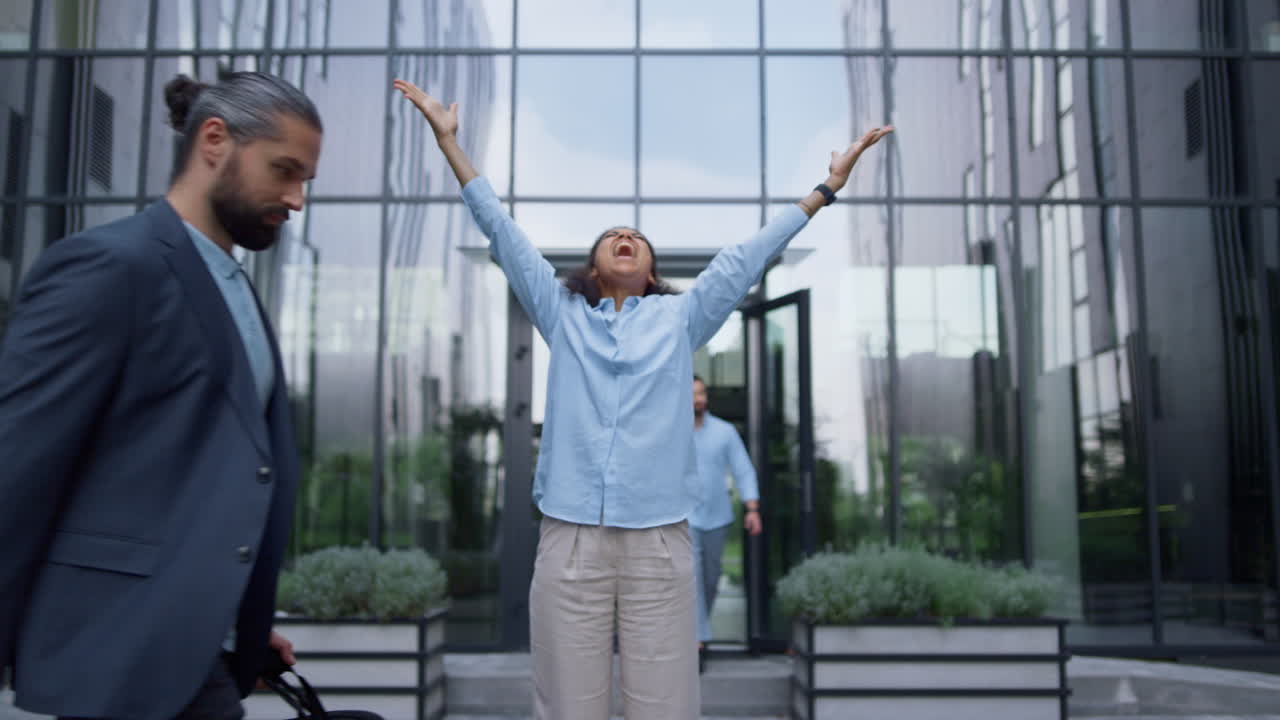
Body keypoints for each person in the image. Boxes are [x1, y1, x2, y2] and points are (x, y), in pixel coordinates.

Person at [394, 76, 891, 720]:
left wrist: (826, 190)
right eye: (611, 236)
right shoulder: (561, 313)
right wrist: (448, 142)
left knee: (665, 704)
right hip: (570, 537)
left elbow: (745, 259)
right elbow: (500, 228)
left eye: (637, 237)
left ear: (651, 271)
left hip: (660, 540)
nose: (624, 237)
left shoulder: (680, 319)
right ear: (595, 266)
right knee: (570, 702)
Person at [0, 71, 322, 720]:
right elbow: (16, 469)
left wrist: (235, 629)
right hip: (111, 654)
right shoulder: (110, 267)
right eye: (284, 170)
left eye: (304, 181)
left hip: (186, 652)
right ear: (214, 140)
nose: (295, 199)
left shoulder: (234, 285)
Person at [689, 374, 761, 669]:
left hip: (717, 517)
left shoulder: (725, 432)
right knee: (692, 576)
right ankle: (697, 642)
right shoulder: (672, 432)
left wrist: (752, 507)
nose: (699, 399)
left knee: (711, 577)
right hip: (685, 517)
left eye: (702, 393)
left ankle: (698, 630)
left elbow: (743, 470)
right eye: (693, 394)